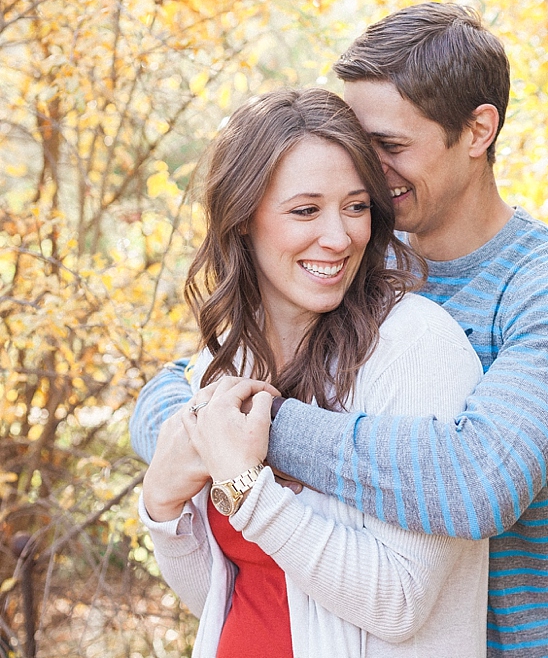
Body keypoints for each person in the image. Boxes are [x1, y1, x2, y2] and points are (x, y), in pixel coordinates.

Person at [132, 3, 548, 657]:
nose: (366, 169)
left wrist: (252, 432)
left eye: (388, 146)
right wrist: (198, 432)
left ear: (478, 131)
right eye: (360, 144)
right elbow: (181, 386)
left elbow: (475, 484)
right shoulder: (353, 260)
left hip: (521, 644)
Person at [138, 87, 488, 657]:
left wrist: (250, 491)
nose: (340, 235)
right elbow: (224, 596)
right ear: (243, 217)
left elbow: (400, 602)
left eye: (355, 207)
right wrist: (161, 501)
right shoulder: (227, 356)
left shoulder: (415, 349)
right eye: (306, 210)